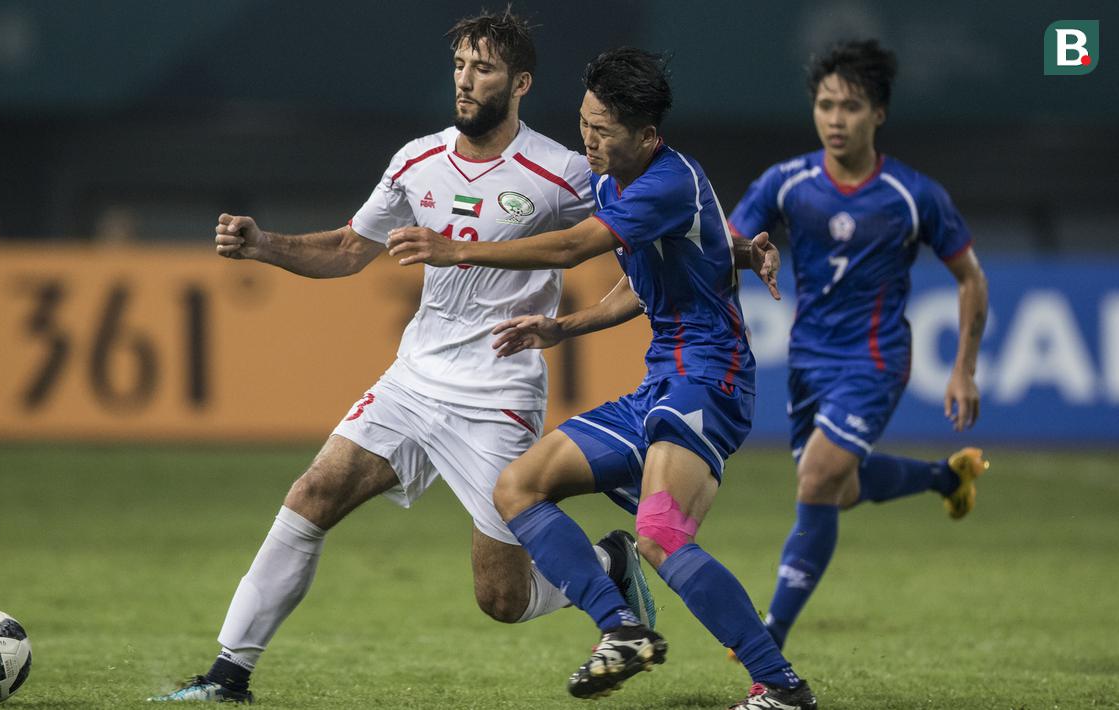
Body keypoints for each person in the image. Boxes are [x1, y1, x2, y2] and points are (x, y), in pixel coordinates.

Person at [148, 11, 662, 703]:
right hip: (412, 381)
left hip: (495, 393)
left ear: (520, 83)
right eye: (458, 65)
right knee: (311, 495)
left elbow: (645, 230)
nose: (465, 81)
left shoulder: (563, 172)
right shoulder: (417, 160)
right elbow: (347, 249)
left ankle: (607, 562)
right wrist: (263, 243)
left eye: (482, 69)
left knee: (500, 599)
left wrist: (585, 317)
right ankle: (227, 676)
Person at [388, 47, 817, 710]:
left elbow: (571, 248)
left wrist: (456, 248)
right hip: (660, 383)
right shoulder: (615, 176)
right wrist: (569, 326)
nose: (587, 140)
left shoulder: (666, 182)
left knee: (660, 535)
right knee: (519, 487)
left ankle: (781, 687)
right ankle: (619, 628)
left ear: (647, 136)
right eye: (584, 123)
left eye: (603, 130)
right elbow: (640, 280)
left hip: (709, 380)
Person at [726, 39, 991, 654]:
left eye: (850, 106)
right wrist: (741, 256)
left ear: (879, 114)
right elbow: (727, 246)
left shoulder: (913, 194)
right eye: (825, 105)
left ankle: (769, 641)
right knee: (839, 489)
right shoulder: (787, 183)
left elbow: (970, 278)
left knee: (817, 480)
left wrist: (963, 371)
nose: (835, 119)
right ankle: (944, 480)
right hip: (808, 362)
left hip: (875, 360)